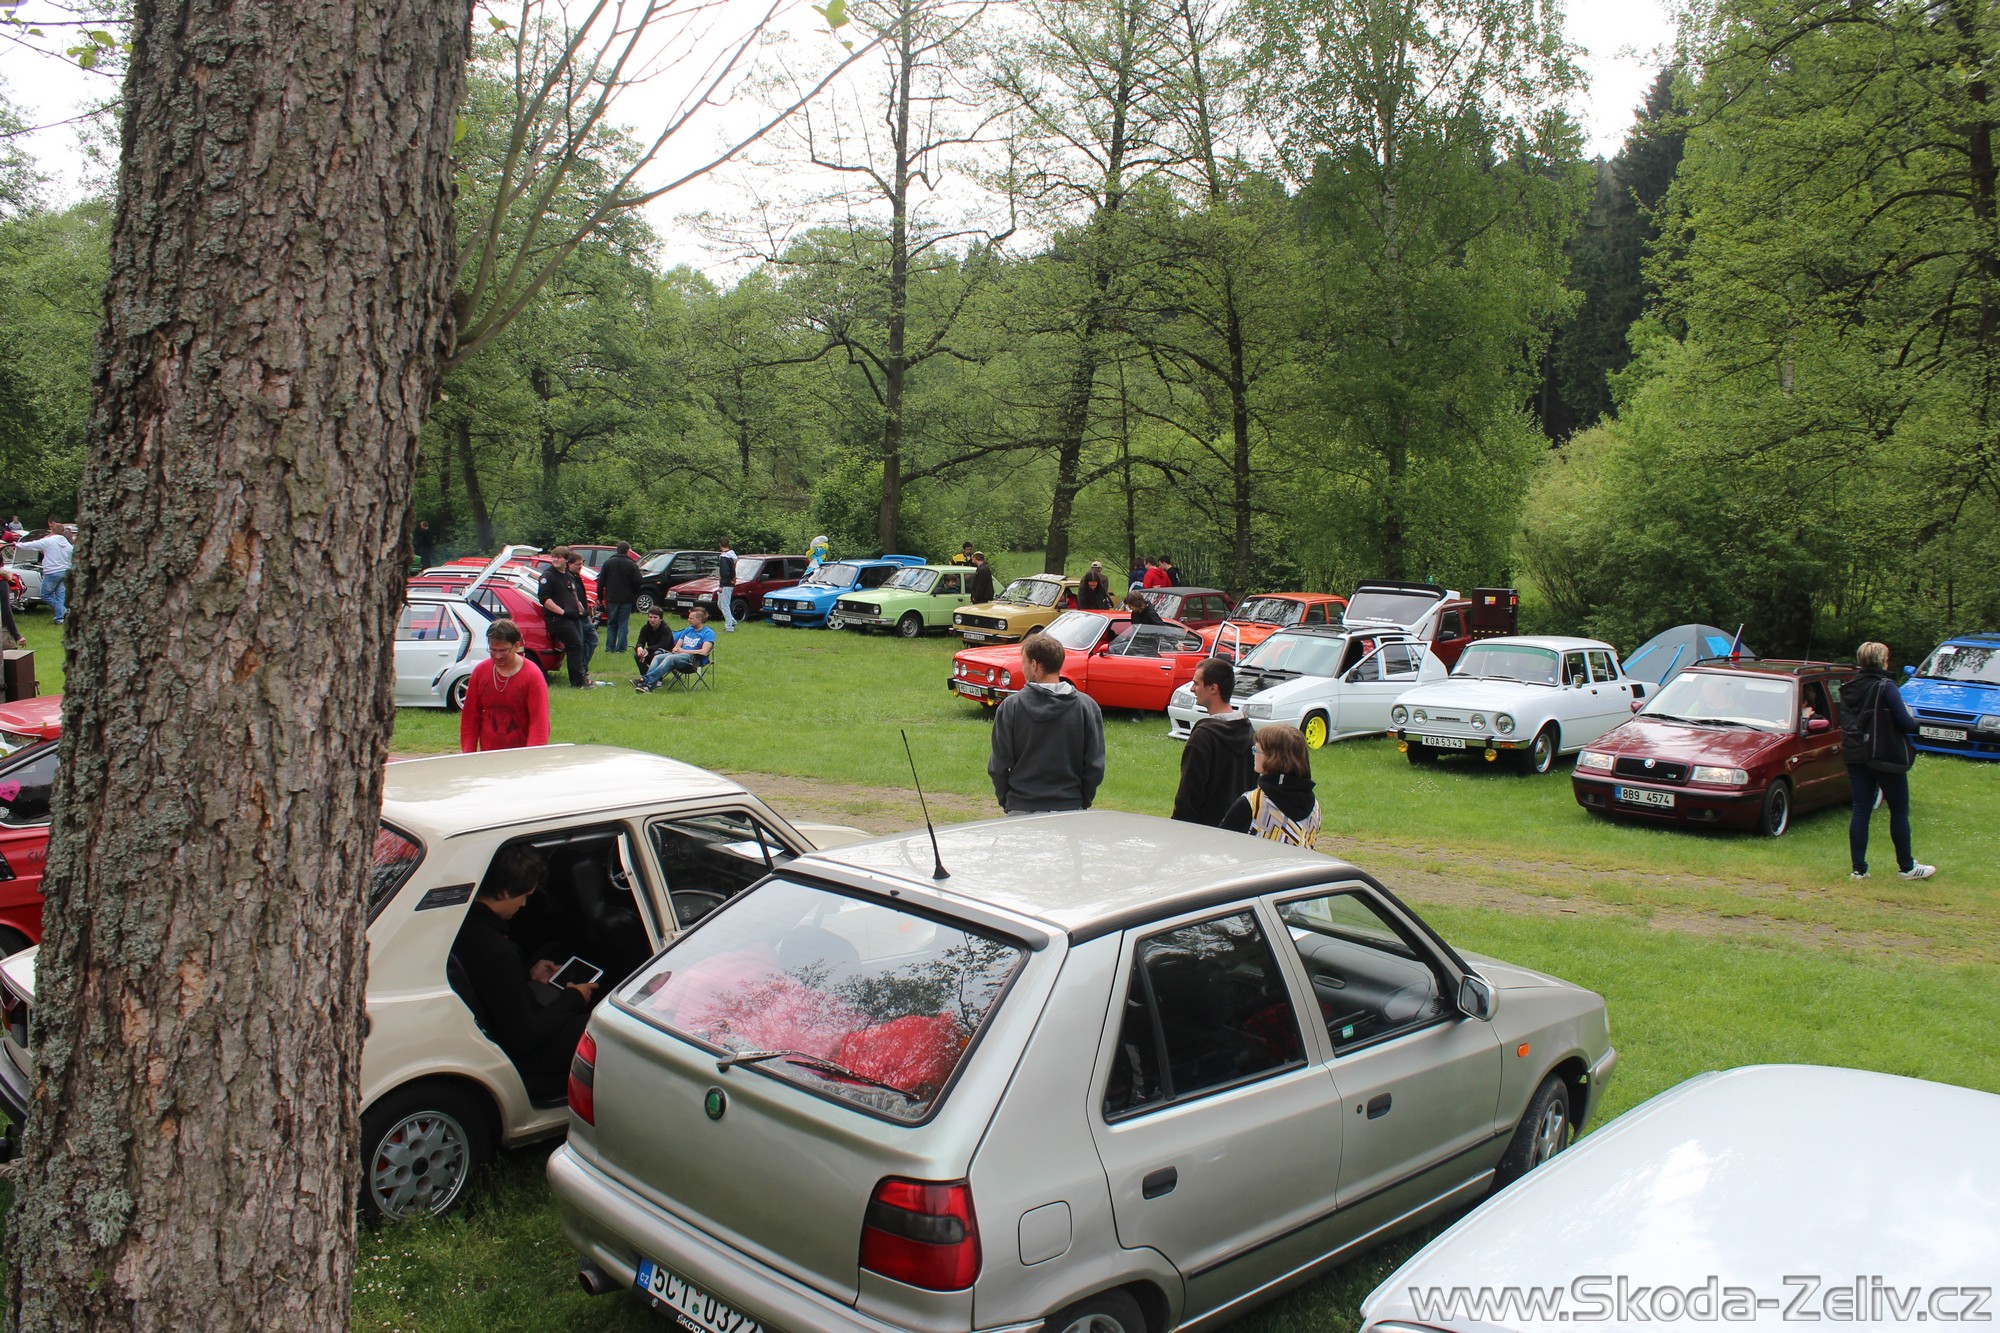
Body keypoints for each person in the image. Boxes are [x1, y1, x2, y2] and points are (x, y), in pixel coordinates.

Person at [454, 845, 598, 1097]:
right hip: (520, 1056)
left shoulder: (461, 925)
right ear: (504, 892)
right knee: (599, 1025)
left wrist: (527, 976)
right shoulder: (497, 952)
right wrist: (574, 998)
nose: (523, 905)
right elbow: (526, 1036)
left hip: (488, 1029)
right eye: (524, 896)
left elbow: (495, 987)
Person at [1839, 641, 1935, 880]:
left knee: (1861, 810)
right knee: (1899, 810)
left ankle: (1858, 869)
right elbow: (1906, 722)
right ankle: (1907, 867)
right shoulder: (1886, 686)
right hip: (1882, 753)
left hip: (1854, 752)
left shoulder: (1849, 686)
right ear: (1882, 661)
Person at [989, 632, 1105, 814]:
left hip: (1022, 807)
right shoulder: (1087, 707)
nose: (1023, 668)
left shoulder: (1011, 707)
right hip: (1069, 807)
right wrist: (1082, 801)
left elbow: (999, 765)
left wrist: (1007, 801)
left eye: (1023, 662)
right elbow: (1094, 766)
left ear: (1034, 665)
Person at [1172, 658, 1256, 826]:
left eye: (1196, 683)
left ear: (1213, 688)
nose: (1192, 689)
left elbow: (1189, 793)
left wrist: (1178, 828)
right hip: (1239, 828)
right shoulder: (1250, 732)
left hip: (1203, 831)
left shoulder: (1204, 736)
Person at [1222, 724, 1323, 848]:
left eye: (1256, 750)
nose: (1253, 754)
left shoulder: (1253, 804)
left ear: (1273, 758)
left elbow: (1222, 844)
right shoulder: (1315, 809)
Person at [459, 619, 551, 752]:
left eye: (503, 651)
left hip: (521, 755)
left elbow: (539, 723)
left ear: (516, 646)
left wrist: (531, 757)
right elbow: (470, 717)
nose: (497, 656)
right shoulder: (480, 672)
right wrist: (469, 753)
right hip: (489, 755)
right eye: (493, 650)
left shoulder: (532, 676)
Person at [537, 546, 589, 687]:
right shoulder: (548, 576)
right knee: (575, 645)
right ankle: (577, 682)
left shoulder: (567, 574)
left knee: (579, 645)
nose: (555, 560)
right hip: (558, 619)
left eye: (559, 557)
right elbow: (545, 599)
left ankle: (582, 677)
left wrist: (578, 605)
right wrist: (562, 612)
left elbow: (572, 592)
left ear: (566, 560)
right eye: (553, 557)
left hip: (572, 616)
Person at [636, 605, 716, 691]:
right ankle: (648, 685)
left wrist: (683, 651)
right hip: (679, 656)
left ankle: (646, 681)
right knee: (657, 657)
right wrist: (676, 649)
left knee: (670, 658)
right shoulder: (688, 630)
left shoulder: (708, 633)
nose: (688, 620)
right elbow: (677, 646)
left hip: (693, 660)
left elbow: (704, 652)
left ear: (699, 619)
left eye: (691, 618)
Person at [14, 518, 73, 628]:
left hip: (52, 572)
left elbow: (32, 545)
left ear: (52, 531)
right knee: (60, 596)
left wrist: (18, 545)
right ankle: (59, 619)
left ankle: (63, 611)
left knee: (45, 595)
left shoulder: (49, 541)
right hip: (65, 571)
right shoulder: (68, 545)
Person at [598, 540, 642, 655]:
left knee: (611, 622)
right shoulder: (631, 564)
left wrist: (600, 597)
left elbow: (601, 581)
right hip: (626, 598)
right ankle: (621, 648)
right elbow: (638, 580)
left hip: (611, 597)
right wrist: (633, 592)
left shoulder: (608, 563)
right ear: (627, 551)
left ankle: (609, 647)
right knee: (623, 623)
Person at [567, 548, 601, 684]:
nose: (581, 567)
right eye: (578, 564)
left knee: (593, 639)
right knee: (580, 645)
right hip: (578, 617)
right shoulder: (568, 578)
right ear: (569, 564)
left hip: (585, 615)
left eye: (582, 564)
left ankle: (582, 668)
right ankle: (582, 672)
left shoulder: (576, 577)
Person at [632, 606, 672, 679]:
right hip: (651, 652)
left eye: (655, 617)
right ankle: (645, 677)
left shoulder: (666, 629)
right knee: (637, 655)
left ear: (661, 619)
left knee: (657, 654)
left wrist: (647, 650)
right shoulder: (645, 628)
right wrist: (639, 648)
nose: (652, 620)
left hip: (666, 655)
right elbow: (640, 641)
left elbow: (664, 645)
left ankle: (657, 679)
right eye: (650, 617)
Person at [715, 539, 738, 632]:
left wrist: (721, 585)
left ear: (720, 545)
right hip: (730, 582)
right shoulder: (731, 555)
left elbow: (725, 572)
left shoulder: (724, 557)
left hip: (726, 584)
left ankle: (729, 627)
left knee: (724, 606)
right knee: (720, 604)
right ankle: (732, 621)